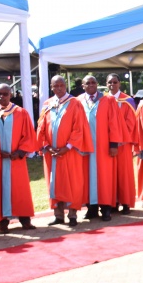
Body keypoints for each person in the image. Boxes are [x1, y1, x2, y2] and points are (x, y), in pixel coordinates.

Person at [36, 75, 93, 227]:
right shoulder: (48, 103)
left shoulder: (74, 103)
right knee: (54, 183)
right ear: (51, 87)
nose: (59, 88)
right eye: (56, 86)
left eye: (61, 85)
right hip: (51, 153)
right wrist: (46, 146)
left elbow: (78, 128)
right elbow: (41, 126)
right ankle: (58, 214)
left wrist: (66, 147)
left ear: (65, 86)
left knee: (72, 182)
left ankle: (73, 214)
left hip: (70, 152)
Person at [0, 83, 37, 234]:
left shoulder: (21, 113)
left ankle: (25, 220)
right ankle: (2, 224)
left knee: (19, 190)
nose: (2, 97)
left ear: (11, 94)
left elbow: (28, 135)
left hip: (16, 160)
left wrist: (20, 152)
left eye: (5, 94)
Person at [79, 75, 123, 221]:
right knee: (87, 177)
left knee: (105, 177)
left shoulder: (108, 100)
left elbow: (114, 124)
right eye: (88, 83)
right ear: (83, 86)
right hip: (85, 147)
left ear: (97, 84)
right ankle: (91, 207)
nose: (91, 85)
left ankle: (106, 208)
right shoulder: (78, 101)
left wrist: (114, 144)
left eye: (93, 82)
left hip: (104, 146)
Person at [106, 73, 138, 214]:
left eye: (114, 82)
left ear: (119, 83)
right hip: (107, 143)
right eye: (109, 82)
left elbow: (131, 123)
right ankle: (113, 203)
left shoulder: (127, 101)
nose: (112, 84)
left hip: (123, 144)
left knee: (124, 174)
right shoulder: (104, 100)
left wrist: (119, 138)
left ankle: (125, 203)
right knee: (110, 175)